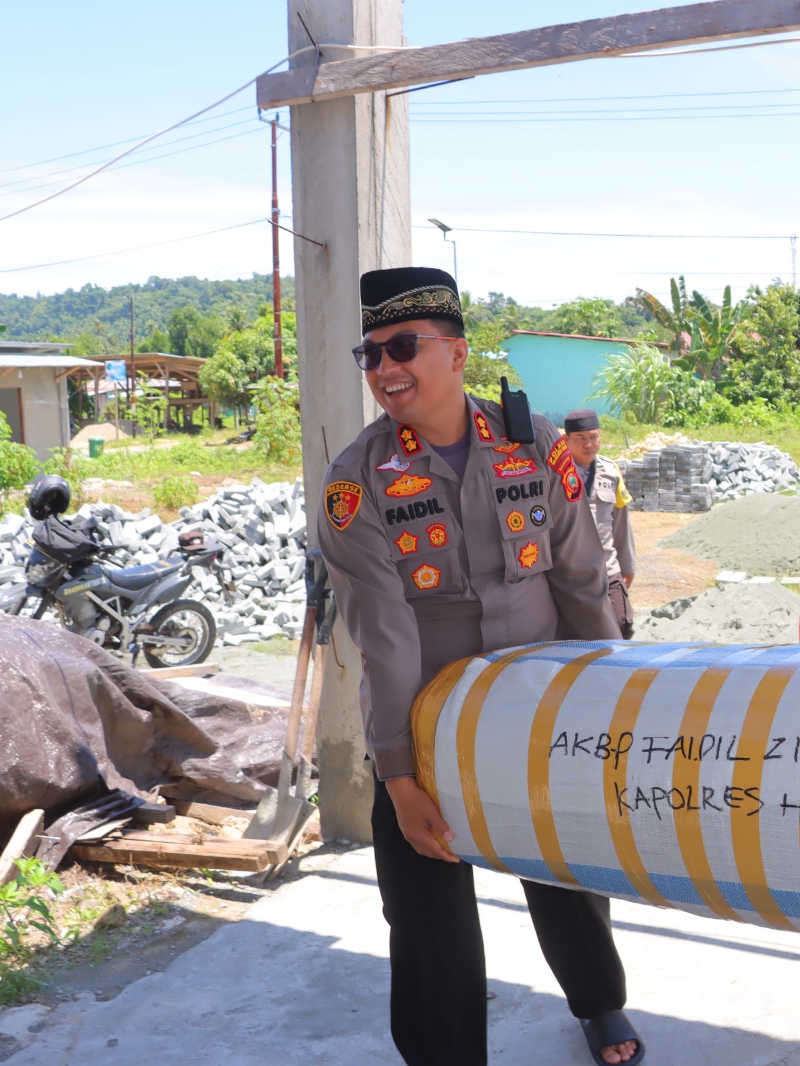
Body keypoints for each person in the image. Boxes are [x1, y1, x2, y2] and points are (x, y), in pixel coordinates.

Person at [315, 267, 644, 1066]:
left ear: (457, 354)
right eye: (371, 353)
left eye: (404, 347)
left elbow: (577, 580)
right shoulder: (357, 481)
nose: (385, 368)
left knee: (567, 873)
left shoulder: (533, 444)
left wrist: (601, 699)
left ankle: (599, 1004)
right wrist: (398, 776)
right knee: (426, 911)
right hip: (425, 724)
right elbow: (383, 634)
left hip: (537, 707)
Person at [564, 409, 637, 639]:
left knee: (623, 626)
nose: (589, 444)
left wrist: (628, 565)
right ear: (567, 440)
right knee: (578, 635)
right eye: (581, 439)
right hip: (572, 571)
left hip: (608, 568)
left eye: (593, 437)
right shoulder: (556, 473)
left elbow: (621, 524)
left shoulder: (611, 471)